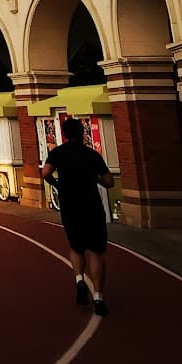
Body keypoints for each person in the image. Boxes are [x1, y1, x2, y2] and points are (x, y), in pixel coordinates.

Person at [42, 117, 114, 317]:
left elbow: (45, 172)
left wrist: (57, 183)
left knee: (76, 246)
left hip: (69, 206)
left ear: (65, 134)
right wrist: (96, 178)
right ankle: (99, 297)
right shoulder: (91, 154)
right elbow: (108, 181)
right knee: (96, 251)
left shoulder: (58, 152)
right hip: (91, 205)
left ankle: (79, 280)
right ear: (82, 133)